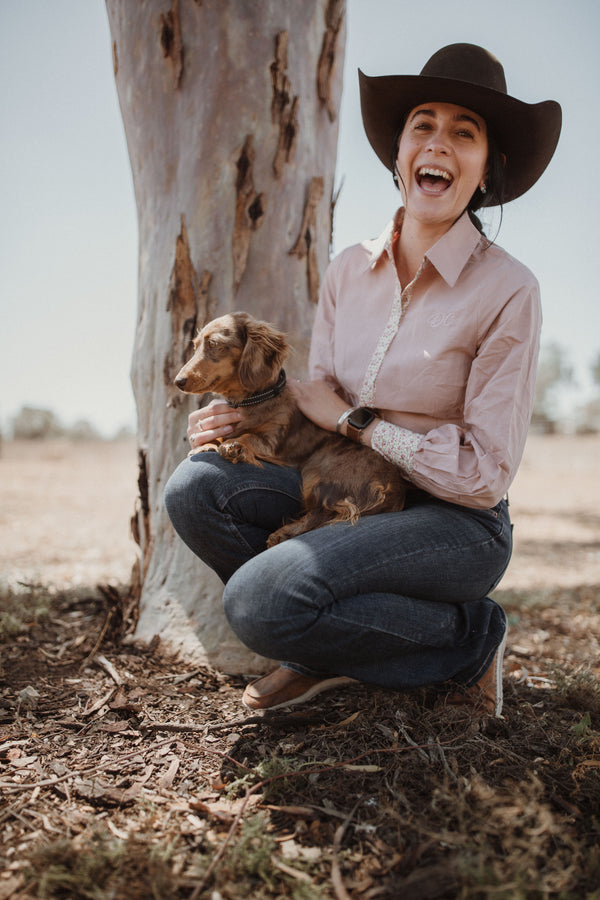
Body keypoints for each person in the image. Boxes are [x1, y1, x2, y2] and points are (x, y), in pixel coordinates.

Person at [165, 44, 561, 718]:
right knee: (197, 490)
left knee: (258, 602)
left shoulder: (509, 289)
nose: (439, 142)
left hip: (453, 523)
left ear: (485, 169)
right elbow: (313, 397)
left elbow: (485, 475)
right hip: (342, 484)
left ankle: (471, 641)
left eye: (464, 132)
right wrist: (239, 413)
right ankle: (324, 651)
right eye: (423, 125)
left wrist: (359, 424)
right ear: (401, 152)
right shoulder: (351, 268)